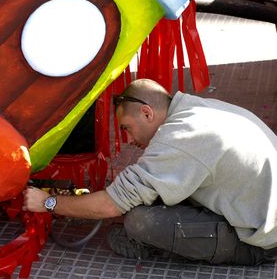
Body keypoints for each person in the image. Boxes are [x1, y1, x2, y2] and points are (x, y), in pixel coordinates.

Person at [23, 79, 277, 265]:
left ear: (147, 112)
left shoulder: (181, 136)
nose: (128, 139)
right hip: (258, 212)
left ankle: (155, 247)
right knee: (149, 198)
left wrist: (48, 202)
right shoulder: (196, 108)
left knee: (140, 221)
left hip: (259, 243)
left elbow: (112, 205)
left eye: (127, 128)